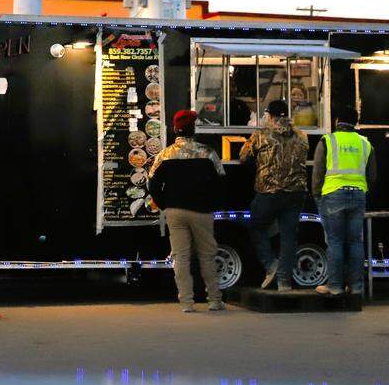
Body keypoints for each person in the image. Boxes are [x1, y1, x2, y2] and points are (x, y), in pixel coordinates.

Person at [148, 109, 227, 312]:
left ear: (175, 129)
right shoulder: (208, 153)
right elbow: (221, 182)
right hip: (202, 212)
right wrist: (211, 202)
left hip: (175, 212)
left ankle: (186, 303)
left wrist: (165, 204)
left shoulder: (165, 154)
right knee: (207, 256)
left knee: (181, 258)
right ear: (194, 128)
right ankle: (215, 301)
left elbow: (152, 183)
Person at [239, 99, 309, 292]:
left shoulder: (261, 134)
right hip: (296, 192)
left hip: (268, 193)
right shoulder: (302, 135)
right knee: (288, 237)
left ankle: (271, 265)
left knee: (256, 227)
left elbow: (243, 157)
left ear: (269, 115)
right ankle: (284, 281)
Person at [312, 108, 376, 295]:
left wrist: (317, 196)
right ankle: (356, 287)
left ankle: (335, 286)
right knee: (355, 242)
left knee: (335, 242)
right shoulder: (365, 143)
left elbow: (317, 172)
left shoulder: (328, 141)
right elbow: (372, 175)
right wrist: (362, 189)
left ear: (337, 120)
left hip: (333, 195)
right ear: (355, 122)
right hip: (358, 196)